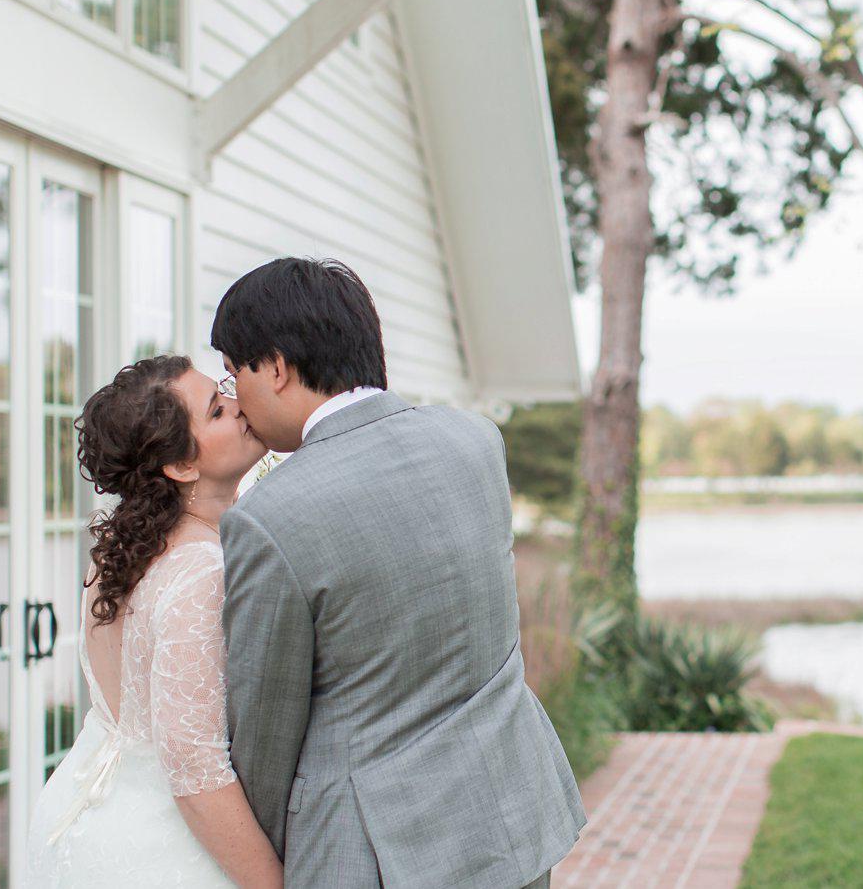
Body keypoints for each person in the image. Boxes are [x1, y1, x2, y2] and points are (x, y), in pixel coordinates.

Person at [211, 257, 585, 888]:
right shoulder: (474, 441)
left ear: (275, 367)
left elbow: (264, 740)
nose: (234, 398)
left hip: (378, 856)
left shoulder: (269, 517)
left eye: (233, 373)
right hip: (509, 818)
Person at [24, 355, 283, 887]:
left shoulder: (120, 551)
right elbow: (195, 769)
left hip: (80, 809)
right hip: (160, 853)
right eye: (216, 410)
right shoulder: (200, 571)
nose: (239, 407)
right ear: (181, 465)